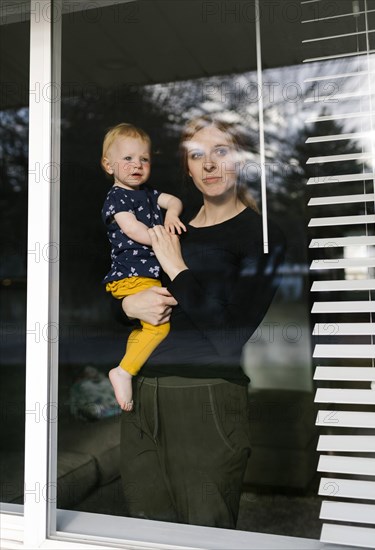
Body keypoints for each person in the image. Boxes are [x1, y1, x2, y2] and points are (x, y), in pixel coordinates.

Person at [113, 115, 285, 528]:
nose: (209, 164)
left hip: (206, 397)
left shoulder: (262, 235)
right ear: (187, 168)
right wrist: (127, 308)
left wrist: (176, 267)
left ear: (241, 159)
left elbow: (231, 335)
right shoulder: (170, 228)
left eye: (221, 151)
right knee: (143, 531)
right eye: (197, 155)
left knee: (202, 533)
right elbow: (128, 295)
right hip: (140, 396)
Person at [101, 123, 186, 411]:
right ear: (108, 164)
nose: (137, 165)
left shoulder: (148, 192)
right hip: (130, 276)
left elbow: (174, 200)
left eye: (144, 159)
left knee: (145, 328)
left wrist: (172, 214)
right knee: (160, 328)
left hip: (143, 276)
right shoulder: (116, 198)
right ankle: (123, 372)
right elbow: (133, 229)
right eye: (127, 158)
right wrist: (161, 236)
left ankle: (125, 370)